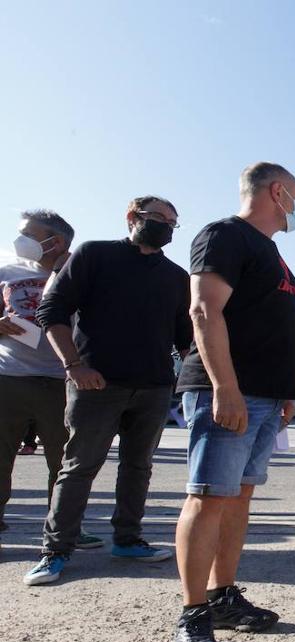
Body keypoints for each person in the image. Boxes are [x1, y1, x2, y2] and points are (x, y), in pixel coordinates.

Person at [170, 162, 295, 642]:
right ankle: (192, 613)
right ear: (277, 192)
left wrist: (284, 392)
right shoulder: (225, 235)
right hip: (229, 392)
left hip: (266, 397)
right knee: (208, 498)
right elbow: (205, 310)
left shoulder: (270, 251)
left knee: (238, 497)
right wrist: (225, 388)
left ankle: (223, 595)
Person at [23, 196, 192, 586]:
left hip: (152, 388)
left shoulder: (175, 277)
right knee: (79, 467)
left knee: (138, 468)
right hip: (96, 383)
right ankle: (56, 551)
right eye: (158, 218)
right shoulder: (94, 256)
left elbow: (184, 336)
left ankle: (128, 540)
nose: (165, 226)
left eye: (172, 222)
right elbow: (52, 311)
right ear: (132, 217)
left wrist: (191, 378)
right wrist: (74, 366)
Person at [0, 210, 75, 552]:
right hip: (9, 377)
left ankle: (61, 531)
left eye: (28, 234)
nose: (20, 240)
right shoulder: (7, 271)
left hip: (62, 380)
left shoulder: (81, 272)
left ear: (55, 241)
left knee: (65, 463)